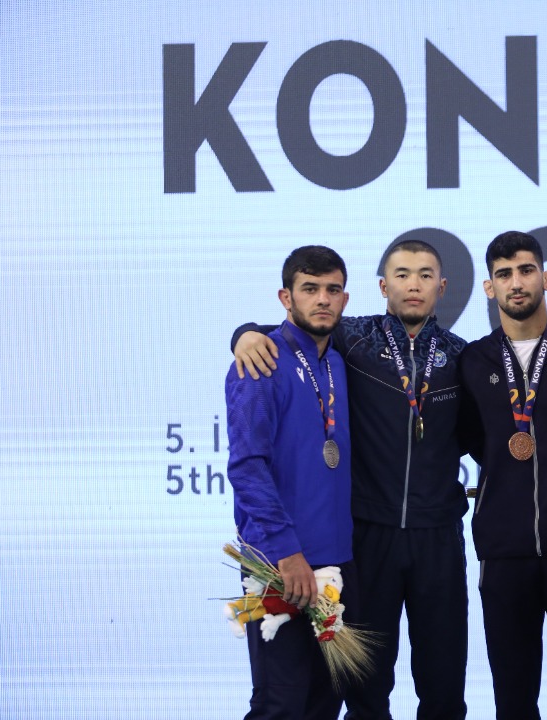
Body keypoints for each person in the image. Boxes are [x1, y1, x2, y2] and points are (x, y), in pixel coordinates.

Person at [233, 240, 469, 720]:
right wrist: (245, 334)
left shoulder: (459, 357)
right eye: (402, 274)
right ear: (382, 287)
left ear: (443, 286)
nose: (414, 284)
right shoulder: (341, 343)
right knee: (312, 696)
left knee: (342, 695)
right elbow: (247, 464)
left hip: (390, 548)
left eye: (425, 275)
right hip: (330, 549)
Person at [458, 231, 547, 720]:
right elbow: (473, 440)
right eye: (503, 274)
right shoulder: (474, 360)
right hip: (504, 554)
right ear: (489, 287)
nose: (516, 283)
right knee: (513, 697)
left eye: (525, 271)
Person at [225, 245, 356, 719]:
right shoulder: (260, 361)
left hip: (336, 565)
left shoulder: (338, 360)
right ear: (286, 297)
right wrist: (286, 552)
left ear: (345, 299)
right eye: (309, 289)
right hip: (278, 564)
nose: (322, 299)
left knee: (324, 702)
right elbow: (247, 466)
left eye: (332, 290)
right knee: (279, 704)